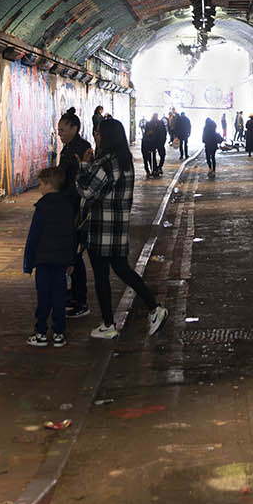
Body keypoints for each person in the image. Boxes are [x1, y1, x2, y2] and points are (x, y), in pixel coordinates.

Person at [76, 118, 167, 339]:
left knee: (101, 277)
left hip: (102, 228)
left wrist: (83, 168)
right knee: (123, 270)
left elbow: (87, 191)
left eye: (98, 132)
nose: (95, 135)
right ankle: (154, 307)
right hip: (117, 228)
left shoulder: (106, 162)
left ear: (106, 136)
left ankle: (109, 324)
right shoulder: (124, 160)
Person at [23, 165, 75, 347]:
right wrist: (71, 260)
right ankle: (59, 333)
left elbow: (33, 237)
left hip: (43, 261)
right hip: (61, 261)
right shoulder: (67, 207)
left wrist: (28, 264)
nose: (39, 188)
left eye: (40, 184)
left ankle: (41, 333)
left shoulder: (41, 208)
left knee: (43, 297)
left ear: (48, 185)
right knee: (60, 298)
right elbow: (71, 235)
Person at [55, 110, 93, 317]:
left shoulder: (81, 149)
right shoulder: (70, 147)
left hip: (76, 208)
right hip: (69, 206)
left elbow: (78, 181)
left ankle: (80, 300)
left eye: (62, 130)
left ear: (74, 128)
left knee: (75, 255)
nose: (59, 133)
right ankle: (73, 296)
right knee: (70, 254)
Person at [140, 113, 169, 178]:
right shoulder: (150, 123)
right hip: (153, 142)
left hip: (158, 142)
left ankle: (157, 168)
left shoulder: (159, 123)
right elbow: (147, 133)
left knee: (160, 155)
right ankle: (154, 169)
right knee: (153, 157)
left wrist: (164, 140)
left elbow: (164, 132)